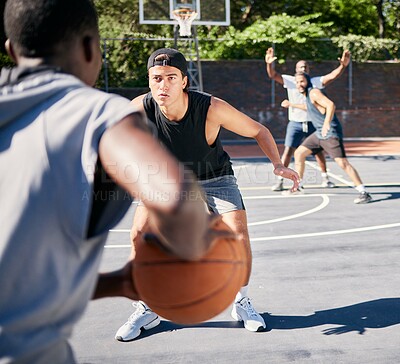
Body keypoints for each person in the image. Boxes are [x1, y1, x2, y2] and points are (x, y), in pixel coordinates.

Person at [0, 1, 224, 362]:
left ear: (12, 51)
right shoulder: (101, 114)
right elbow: (176, 200)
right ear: (92, 49)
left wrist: (116, 284)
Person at [114, 47, 300, 342]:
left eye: (171, 78)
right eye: (157, 78)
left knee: (238, 236)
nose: (164, 85)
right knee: (139, 234)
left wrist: (278, 165)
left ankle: (241, 303)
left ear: (184, 81)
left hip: (214, 176)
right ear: (149, 81)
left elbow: (259, 131)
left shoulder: (211, 108)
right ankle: (148, 307)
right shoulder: (139, 107)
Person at [265, 47, 351, 191]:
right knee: (288, 151)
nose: (303, 68)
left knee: (319, 152)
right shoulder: (291, 81)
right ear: (296, 69)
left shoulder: (314, 82)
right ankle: (280, 180)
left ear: (308, 70)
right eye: (300, 66)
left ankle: (325, 178)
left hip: (313, 123)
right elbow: (273, 75)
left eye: (305, 66)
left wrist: (343, 65)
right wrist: (269, 64)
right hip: (295, 123)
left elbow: (332, 75)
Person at [292, 72, 372, 204]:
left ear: (307, 82)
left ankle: (364, 192)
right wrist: (291, 105)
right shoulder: (307, 96)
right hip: (319, 133)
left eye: (302, 81)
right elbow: (308, 107)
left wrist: (326, 123)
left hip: (329, 133)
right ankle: (298, 186)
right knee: (299, 153)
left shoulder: (314, 92)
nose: (299, 84)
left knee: (342, 163)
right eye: (297, 82)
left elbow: (330, 105)